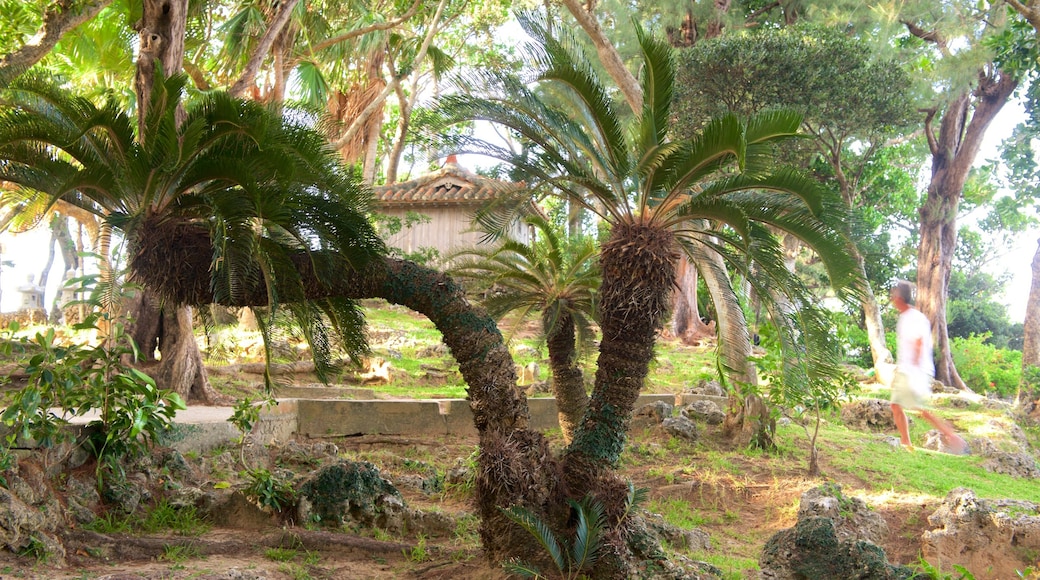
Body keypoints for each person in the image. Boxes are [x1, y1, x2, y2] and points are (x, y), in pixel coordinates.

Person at [889, 280, 968, 454]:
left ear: (900, 297)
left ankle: (953, 438)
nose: (892, 298)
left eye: (894, 294)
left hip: (913, 371)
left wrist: (913, 368)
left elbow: (918, 342)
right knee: (898, 405)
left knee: (918, 409)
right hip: (908, 370)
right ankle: (906, 442)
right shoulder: (905, 317)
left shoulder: (914, 317)